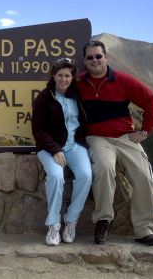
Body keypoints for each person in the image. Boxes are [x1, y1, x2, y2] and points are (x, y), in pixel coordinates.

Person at [76, 41, 153, 246]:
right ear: (84, 61)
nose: (94, 60)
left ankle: (143, 229)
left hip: (125, 137)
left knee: (142, 175)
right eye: (90, 57)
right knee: (104, 168)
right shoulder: (78, 82)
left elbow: (151, 101)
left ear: (106, 57)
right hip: (97, 138)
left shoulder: (123, 80)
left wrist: (145, 131)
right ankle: (103, 220)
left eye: (98, 56)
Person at [32, 58, 93, 246]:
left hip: (75, 145)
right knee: (56, 177)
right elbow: (38, 131)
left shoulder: (77, 95)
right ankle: (54, 223)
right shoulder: (44, 98)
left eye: (67, 76)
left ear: (72, 77)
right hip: (50, 147)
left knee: (85, 175)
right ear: (54, 76)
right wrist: (55, 150)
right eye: (60, 75)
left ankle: (71, 219)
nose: (64, 79)